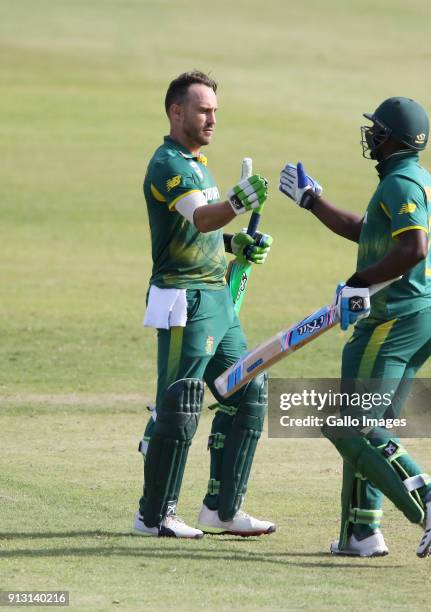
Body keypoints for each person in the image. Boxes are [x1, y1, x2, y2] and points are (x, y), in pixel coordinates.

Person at [278, 97, 431, 558]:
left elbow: (414, 248)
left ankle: (429, 494)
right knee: (373, 427)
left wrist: (358, 284)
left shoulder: (401, 183)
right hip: (421, 315)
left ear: (394, 138)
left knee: (348, 424)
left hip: (394, 318)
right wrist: (313, 201)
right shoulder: (412, 177)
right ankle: (361, 532)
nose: (371, 135)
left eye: (377, 129)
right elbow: (369, 230)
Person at [133, 70, 276, 539]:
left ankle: (223, 509)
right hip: (183, 301)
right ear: (177, 112)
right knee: (180, 403)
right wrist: (237, 201)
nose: (212, 117)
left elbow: (205, 232)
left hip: (217, 298)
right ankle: (153, 516)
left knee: (249, 389)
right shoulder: (168, 164)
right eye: (203, 109)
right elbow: (201, 215)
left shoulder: (198, 163)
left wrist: (238, 244)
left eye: (215, 109)